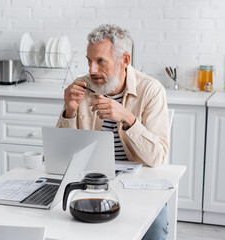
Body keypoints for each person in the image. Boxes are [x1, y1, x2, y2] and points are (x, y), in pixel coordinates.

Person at [56, 24, 170, 240]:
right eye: (89, 60)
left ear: (124, 61)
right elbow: (62, 155)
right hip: (91, 184)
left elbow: (157, 158)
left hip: (140, 188)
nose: (92, 70)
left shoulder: (151, 91)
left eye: (100, 61)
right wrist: (69, 111)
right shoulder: (80, 87)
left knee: (154, 232)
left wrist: (128, 118)